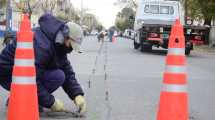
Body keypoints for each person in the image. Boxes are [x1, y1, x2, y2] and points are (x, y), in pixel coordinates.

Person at [0, 14, 86, 114]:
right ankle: (21, 98)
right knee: (57, 76)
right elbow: (31, 78)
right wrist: (51, 102)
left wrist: (77, 94)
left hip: (23, 73)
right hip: (8, 74)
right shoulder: (42, 45)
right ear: (66, 36)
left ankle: (21, 96)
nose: (71, 49)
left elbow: (66, 69)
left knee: (60, 75)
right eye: (71, 45)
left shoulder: (58, 42)